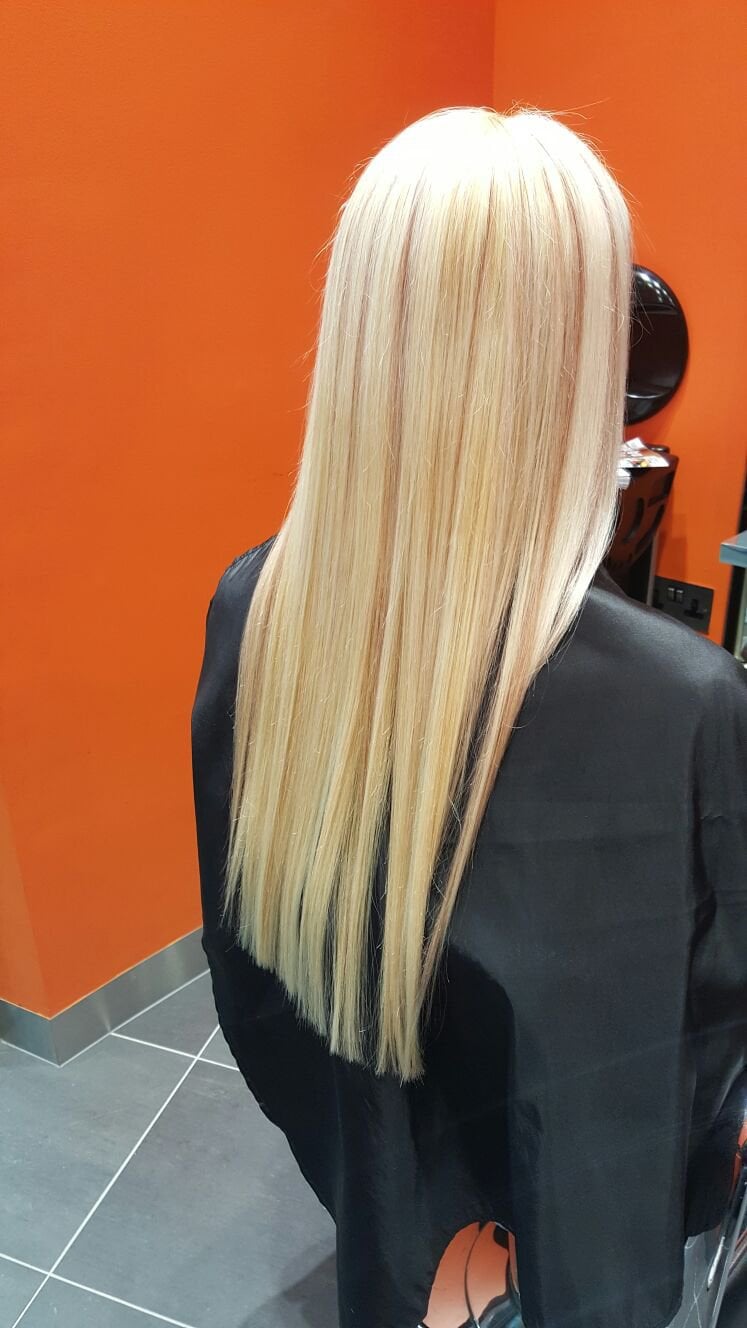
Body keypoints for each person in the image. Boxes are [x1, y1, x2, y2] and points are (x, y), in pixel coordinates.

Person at [190, 106, 747, 1328]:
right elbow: (700, 1055)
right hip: (571, 1237)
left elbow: (255, 977)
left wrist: (385, 1179)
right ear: (583, 352)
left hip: (391, 1216)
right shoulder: (684, 708)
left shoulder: (253, 607)